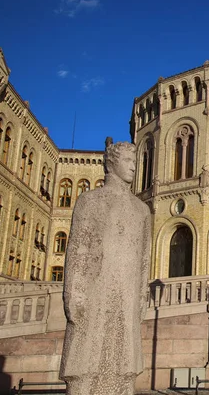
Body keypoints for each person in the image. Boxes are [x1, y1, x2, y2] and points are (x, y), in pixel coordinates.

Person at [59, 140, 152, 395]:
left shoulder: (142, 210)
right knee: (86, 356)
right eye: (128, 161)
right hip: (95, 290)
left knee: (124, 362)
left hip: (127, 295)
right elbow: (77, 249)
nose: (134, 167)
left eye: (135, 162)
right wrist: (73, 294)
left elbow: (145, 258)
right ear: (112, 164)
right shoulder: (90, 201)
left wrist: (142, 295)